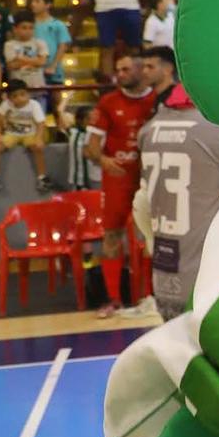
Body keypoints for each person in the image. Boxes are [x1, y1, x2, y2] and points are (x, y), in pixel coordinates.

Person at [124, 61, 219, 437]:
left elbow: (141, 209)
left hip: (167, 273)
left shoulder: (154, 126)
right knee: (214, 403)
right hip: (209, 279)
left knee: (189, 396)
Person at [85, 52, 160, 317]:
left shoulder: (157, 99)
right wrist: (103, 160)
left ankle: (154, 296)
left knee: (156, 234)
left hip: (150, 178)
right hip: (117, 180)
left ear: (142, 70)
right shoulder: (108, 102)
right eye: (118, 69)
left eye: (127, 69)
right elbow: (90, 147)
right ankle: (113, 299)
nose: (121, 74)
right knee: (112, 235)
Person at [0, 81, 52, 196]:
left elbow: (40, 124)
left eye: (22, 94)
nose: (19, 99)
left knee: (37, 148)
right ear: (9, 98)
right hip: (12, 134)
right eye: (15, 96)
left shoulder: (34, 105)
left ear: (28, 94)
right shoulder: (6, 105)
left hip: (30, 133)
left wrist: (39, 138)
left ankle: (42, 177)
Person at [28, 0, 72, 87]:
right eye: (32, 1)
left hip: (53, 71)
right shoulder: (28, 25)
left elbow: (62, 46)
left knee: (56, 98)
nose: (33, 4)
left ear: (48, 5)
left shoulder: (58, 25)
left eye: (37, 1)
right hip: (33, 71)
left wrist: (53, 66)